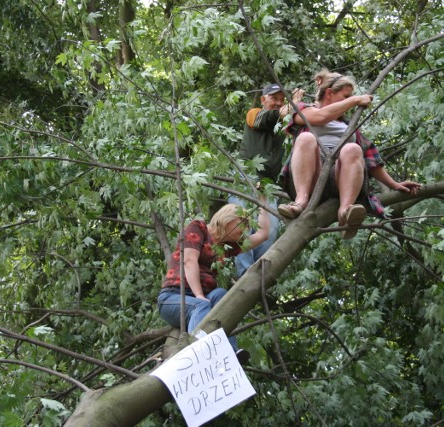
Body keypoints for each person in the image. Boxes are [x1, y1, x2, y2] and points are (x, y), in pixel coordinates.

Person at [278, 69, 421, 239]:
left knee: (353, 148)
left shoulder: (349, 126)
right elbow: (319, 117)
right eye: (345, 96)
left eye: (350, 97)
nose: (349, 101)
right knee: (306, 138)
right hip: (313, 178)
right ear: (329, 93)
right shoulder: (304, 109)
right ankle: (300, 201)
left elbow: (371, 161)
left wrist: (395, 184)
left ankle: (345, 212)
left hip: (341, 177)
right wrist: (354, 101)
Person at [157, 203, 270, 363]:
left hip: (203, 297)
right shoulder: (198, 228)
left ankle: (231, 352)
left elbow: (263, 234)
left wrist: (263, 200)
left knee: (221, 295)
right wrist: (198, 295)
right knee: (201, 305)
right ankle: (200, 353)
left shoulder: (226, 246)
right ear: (227, 219)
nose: (245, 230)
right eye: (242, 223)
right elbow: (189, 261)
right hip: (173, 297)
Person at [229, 83, 304, 277]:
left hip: (269, 184)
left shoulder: (282, 124)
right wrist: (294, 102)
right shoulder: (254, 114)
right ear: (263, 100)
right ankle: (244, 276)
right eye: (274, 98)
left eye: (282, 99)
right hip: (248, 176)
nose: (278, 103)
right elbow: (272, 116)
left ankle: (257, 277)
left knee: (269, 232)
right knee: (242, 225)